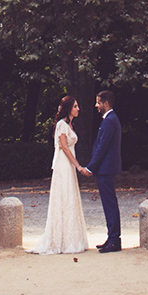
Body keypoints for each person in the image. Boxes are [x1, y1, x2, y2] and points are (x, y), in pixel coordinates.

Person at [31, 95, 90, 254]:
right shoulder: (61, 125)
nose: (78, 109)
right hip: (64, 165)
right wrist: (77, 165)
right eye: (75, 106)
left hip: (68, 165)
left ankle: (71, 238)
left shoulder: (69, 125)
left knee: (70, 198)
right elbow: (64, 147)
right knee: (64, 198)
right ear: (69, 108)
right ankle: (60, 240)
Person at [80, 89, 122, 252]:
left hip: (106, 169)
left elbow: (102, 147)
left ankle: (114, 240)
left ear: (106, 103)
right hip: (106, 168)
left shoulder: (110, 120)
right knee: (108, 204)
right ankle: (111, 237)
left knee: (109, 204)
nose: (96, 105)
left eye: (98, 102)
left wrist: (91, 167)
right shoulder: (110, 119)